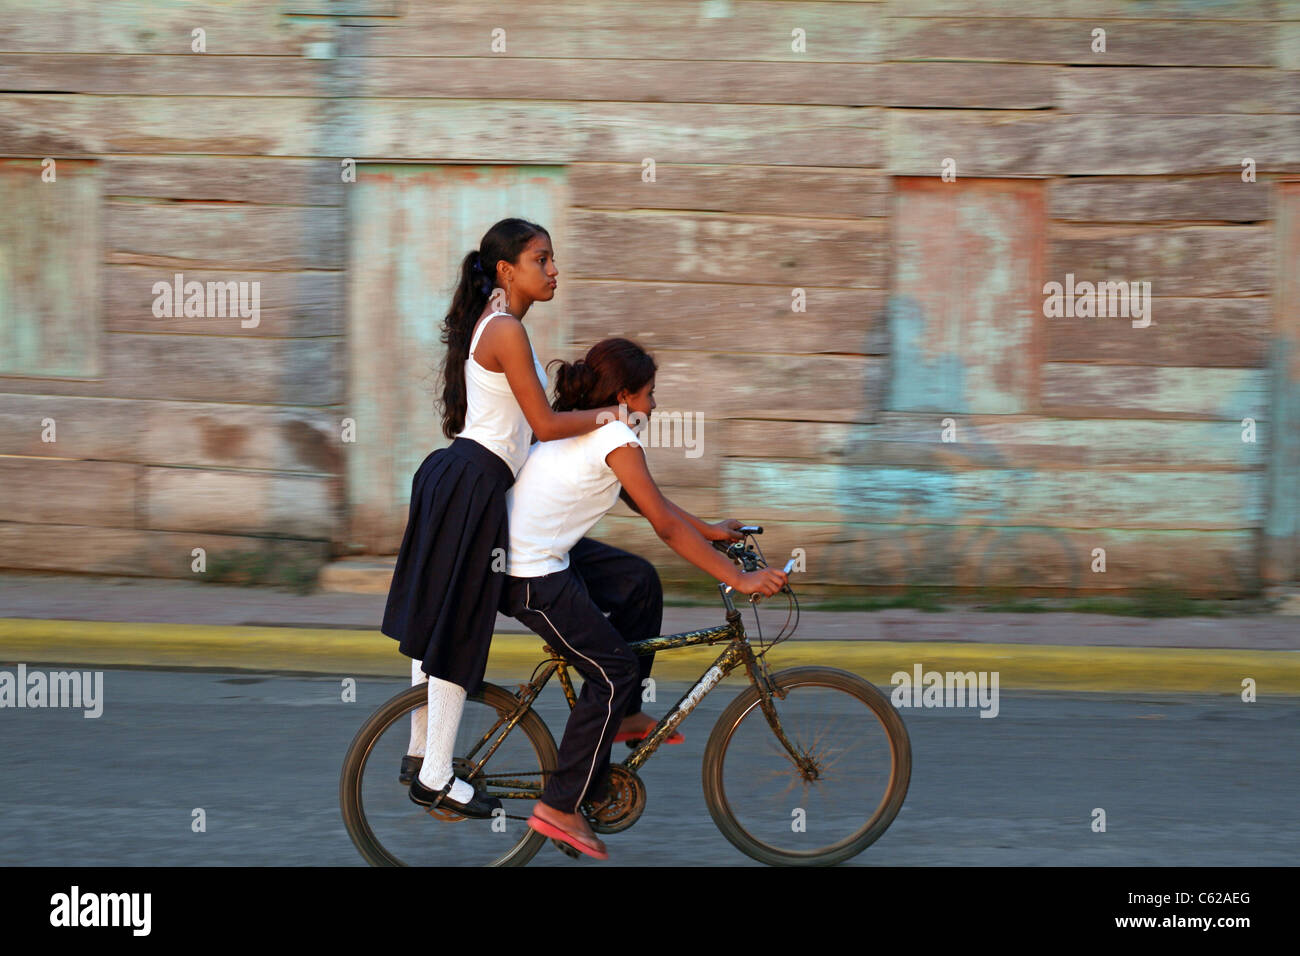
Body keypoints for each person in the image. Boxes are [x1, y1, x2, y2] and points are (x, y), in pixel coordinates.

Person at [497, 338, 788, 859]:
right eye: (650, 394)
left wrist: (714, 532)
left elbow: (652, 502)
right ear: (626, 395)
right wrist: (738, 579)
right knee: (614, 671)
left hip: (543, 551)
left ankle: (627, 716)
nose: (654, 406)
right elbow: (666, 527)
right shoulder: (613, 434)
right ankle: (560, 806)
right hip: (526, 574)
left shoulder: (596, 425)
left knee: (637, 580)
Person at [380, 218, 621, 818]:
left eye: (553, 258)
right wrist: (609, 418)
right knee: (458, 628)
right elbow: (542, 426)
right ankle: (435, 774)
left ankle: (419, 756)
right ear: (508, 270)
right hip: (472, 485)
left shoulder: (499, 325)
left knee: (442, 621)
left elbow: (529, 428)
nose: (554, 269)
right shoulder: (506, 330)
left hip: (462, 480)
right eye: (542, 259)